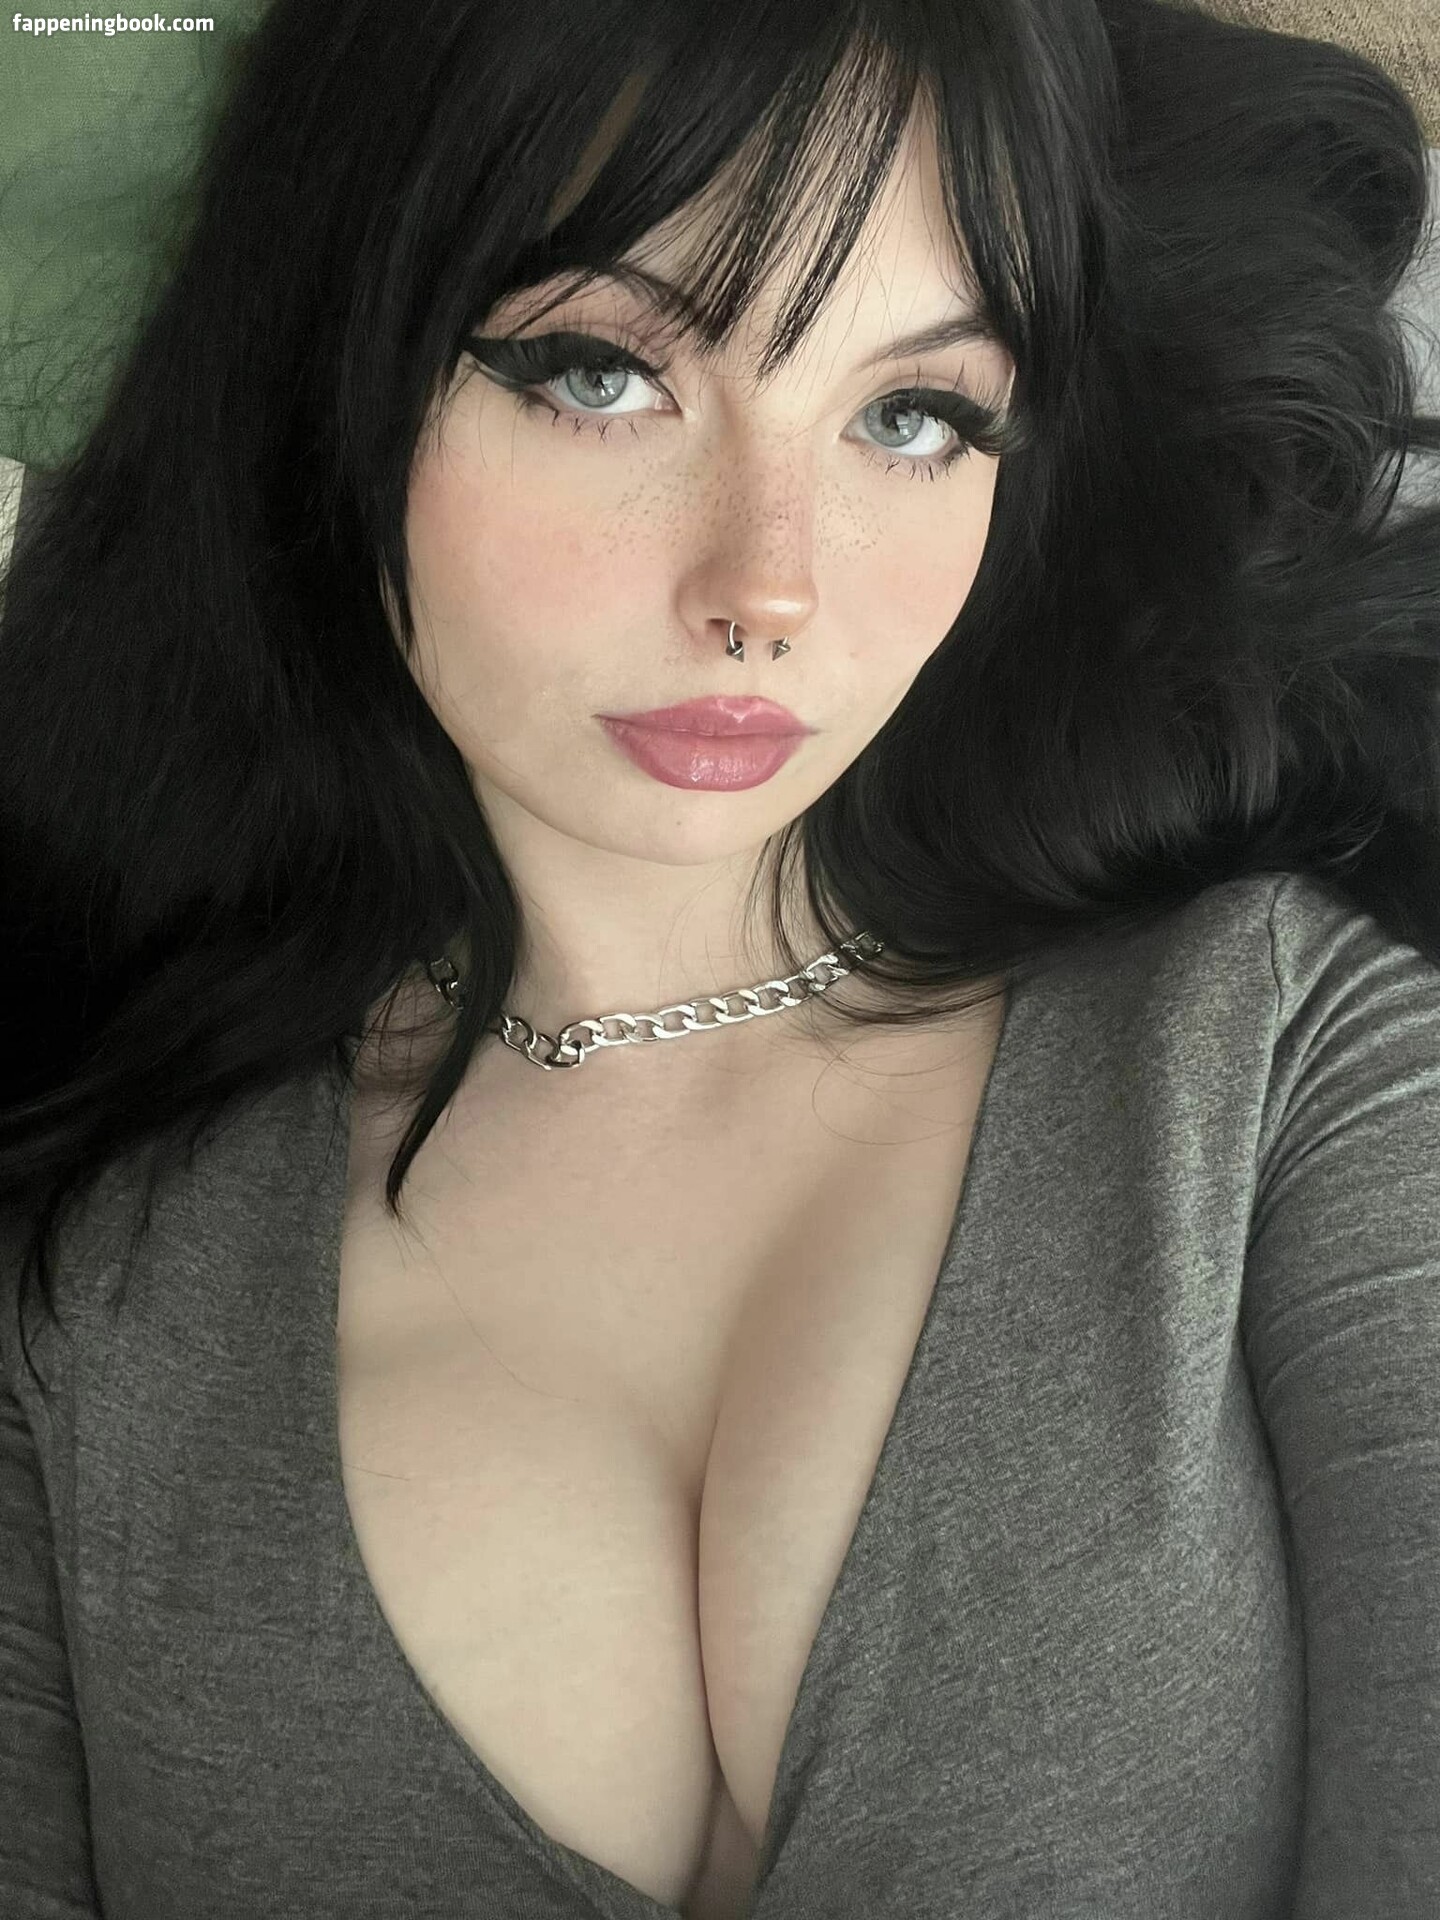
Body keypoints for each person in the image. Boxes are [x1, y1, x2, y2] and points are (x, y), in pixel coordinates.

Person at [1, 2, 1438, 1916]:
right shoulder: (83, 1275)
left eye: (914, 415)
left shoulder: (1289, 1064)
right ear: (328, 365)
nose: (770, 584)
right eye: (602, 372)